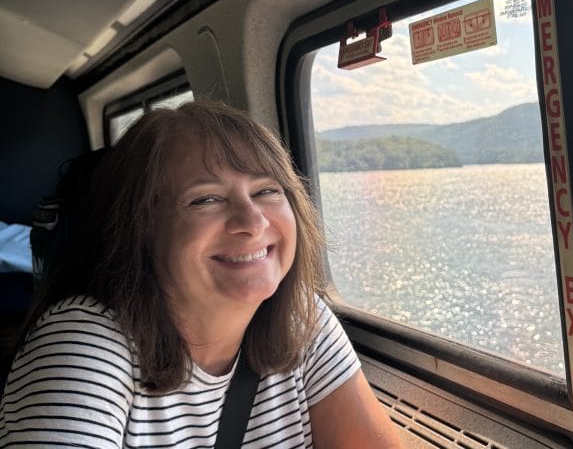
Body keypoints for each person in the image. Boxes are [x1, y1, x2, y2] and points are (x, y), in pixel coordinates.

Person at [0, 101, 403, 447]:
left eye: (266, 190)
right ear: (142, 228)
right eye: (206, 199)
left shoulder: (302, 318)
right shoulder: (82, 341)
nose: (253, 222)